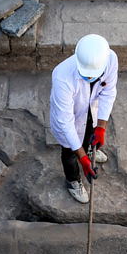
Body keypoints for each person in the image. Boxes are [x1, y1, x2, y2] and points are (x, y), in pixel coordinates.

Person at [49, 34, 118, 204]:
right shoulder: (62, 76)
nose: (90, 78)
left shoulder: (110, 59)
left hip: (91, 110)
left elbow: (108, 92)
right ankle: (73, 180)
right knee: (69, 153)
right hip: (70, 117)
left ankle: (89, 150)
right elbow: (66, 122)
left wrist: (101, 127)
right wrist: (82, 159)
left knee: (89, 134)